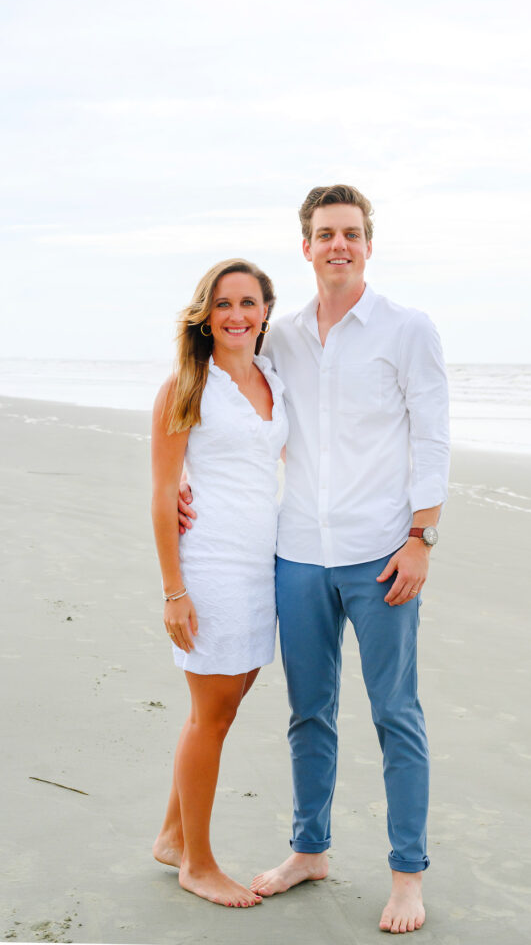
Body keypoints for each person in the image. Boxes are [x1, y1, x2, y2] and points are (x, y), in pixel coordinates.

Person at [179, 186, 450, 933]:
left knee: (397, 715)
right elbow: (220, 398)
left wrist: (422, 536)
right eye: (325, 233)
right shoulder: (282, 335)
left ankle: (406, 877)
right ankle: (310, 851)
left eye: (351, 234)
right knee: (309, 714)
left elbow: (432, 436)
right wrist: (177, 486)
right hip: (295, 555)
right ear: (305, 246)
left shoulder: (407, 330)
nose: (339, 244)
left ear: (369, 244)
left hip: (382, 555)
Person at [151, 258, 287, 909]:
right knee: (210, 715)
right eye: (225, 303)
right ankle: (197, 864)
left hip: (265, 566)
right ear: (206, 314)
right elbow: (160, 492)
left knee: (224, 710)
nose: (237, 314)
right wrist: (174, 589)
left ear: (266, 311)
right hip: (210, 567)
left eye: (249, 302)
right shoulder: (187, 385)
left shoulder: (273, 382)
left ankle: (174, 837)